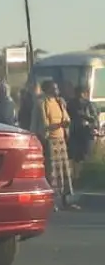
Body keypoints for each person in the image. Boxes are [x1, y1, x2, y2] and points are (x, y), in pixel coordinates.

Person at [31, 79, 76, 210]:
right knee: (52, 173)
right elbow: (44, 125)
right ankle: (52, 201)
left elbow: (66, 118)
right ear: (48, 89)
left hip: (61, 140)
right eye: (54, 88)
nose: (57, 91)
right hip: (50, 141)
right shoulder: (42, 103)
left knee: (64, 172)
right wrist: (58, 125)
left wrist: (65, 125)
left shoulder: (60, 102)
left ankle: (66, 199)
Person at [67, 85, 99, 182]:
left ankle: (82, 177)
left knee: (84, 155)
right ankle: (75, 177)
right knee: (74, 155)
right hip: (76, 133)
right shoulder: (71, 104)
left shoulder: (90, 104)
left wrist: (88, 120)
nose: (79, 96)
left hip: (85, 133)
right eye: (78, 93)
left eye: (81, 93)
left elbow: (95, 118)